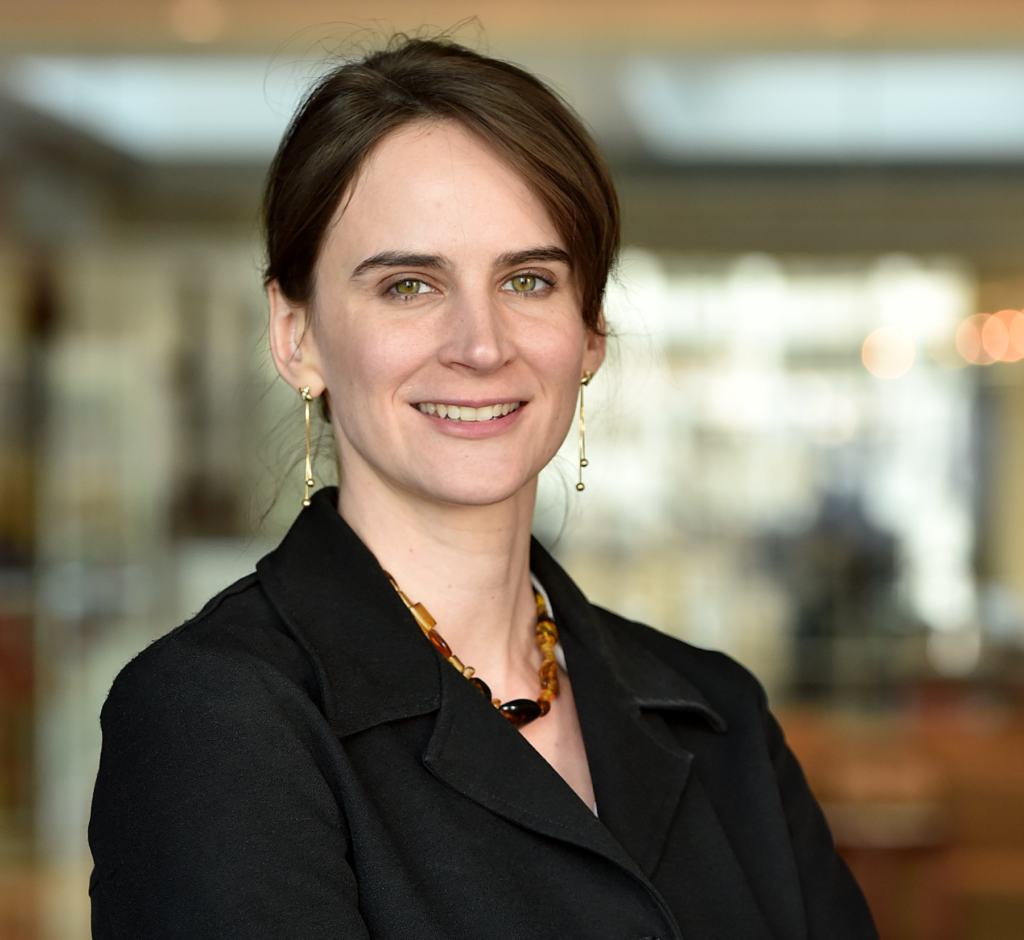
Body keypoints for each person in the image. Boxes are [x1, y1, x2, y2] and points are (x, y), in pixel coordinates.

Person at [88, 36, 878, 940]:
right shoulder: (216, 719)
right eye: (410, 285)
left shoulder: (718, 714)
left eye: (529, 279)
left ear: (589, 334)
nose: (480, 343)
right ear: (296, 333)